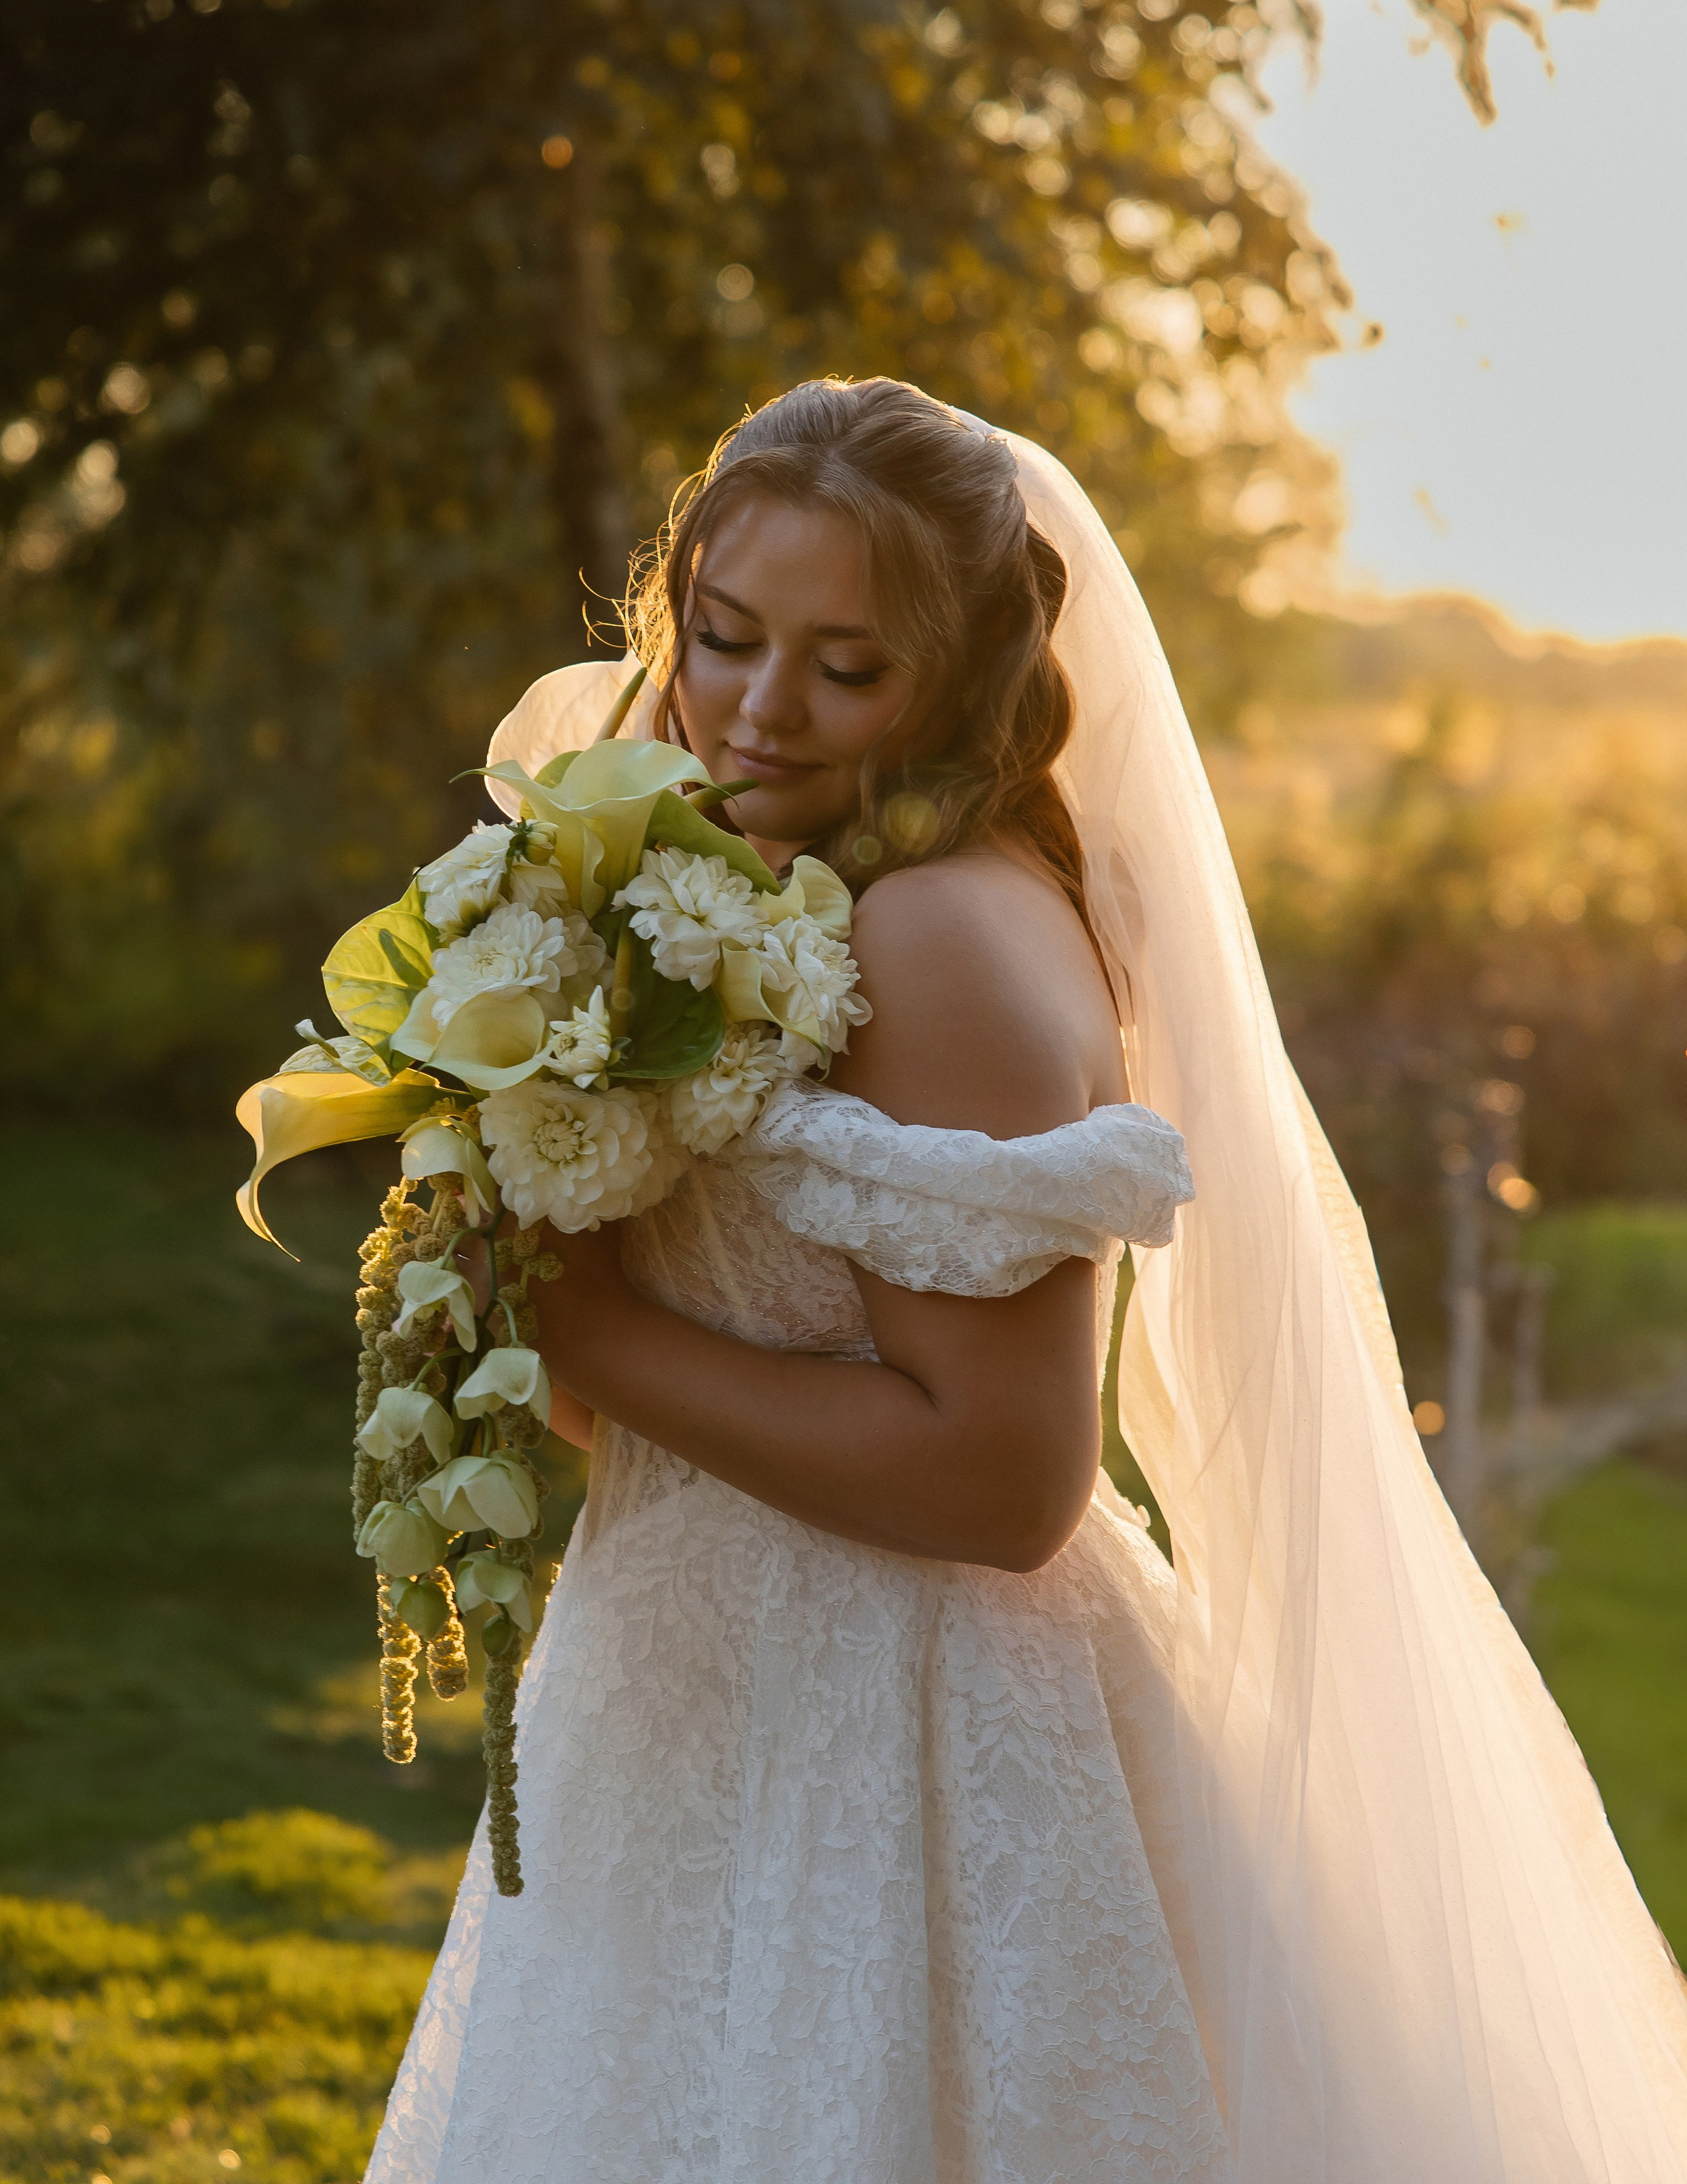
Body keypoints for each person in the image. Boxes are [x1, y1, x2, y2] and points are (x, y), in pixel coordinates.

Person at [366, 379, 1687, 2184]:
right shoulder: (749, 891)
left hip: (898, 1753)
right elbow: (666, 1408)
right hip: (685, 1716)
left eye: (848, 669)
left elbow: (1004, 1478)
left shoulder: (946, 937)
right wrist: (516, 1254)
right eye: (730, 638)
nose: (756, 709)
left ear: (970, 672)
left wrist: (590, 1324)